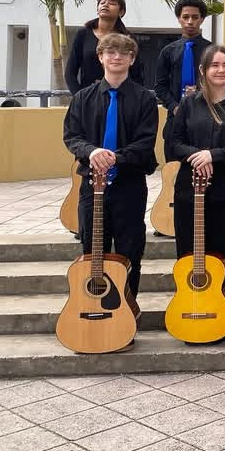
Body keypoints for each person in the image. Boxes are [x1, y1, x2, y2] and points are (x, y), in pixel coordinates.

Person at [165, 44, 225, 343]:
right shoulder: (188, 105)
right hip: (189, 191)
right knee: (189, 255)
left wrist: (213, 156)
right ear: (203, 71)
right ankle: (190, 314)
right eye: (214, 65)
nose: (221, 70)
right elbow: (174, 143)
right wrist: (197, 155)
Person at [63, 33, 158, 298]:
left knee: (130, 250)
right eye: (111, 52)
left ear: (132, 59)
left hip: (129, 185)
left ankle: (127, 309)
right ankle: (94, 306)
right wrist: (92, 152)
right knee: (93, 249)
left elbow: (146, 141)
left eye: (123, 53)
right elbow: (72, 136)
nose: (117, 57)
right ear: (100, 57)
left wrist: (116, 157)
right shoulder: (83, 98)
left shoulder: (145, 99)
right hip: (91, 186)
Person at [65, 0, 143, 93]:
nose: (105, 5)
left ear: (121, 12)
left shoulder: (128, 38)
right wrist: (79, 97)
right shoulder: (83, 34)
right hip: (89, 97)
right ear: (97, 9)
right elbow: (70, 72)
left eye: (112, 3)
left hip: (120, 97)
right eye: (102, 2)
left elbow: (137, 74)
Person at [154, 0, 212, 132]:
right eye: (185, 17)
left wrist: (200, 93)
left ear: (202, 19)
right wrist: (174, 107)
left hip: (207, 117)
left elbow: (218, 83)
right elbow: (160, 86)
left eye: (195, 17)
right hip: (175, 119)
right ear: (179, 18)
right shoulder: (167, 51)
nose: (190, 22)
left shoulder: (212, 51)